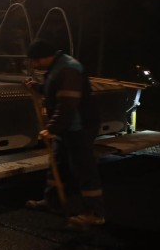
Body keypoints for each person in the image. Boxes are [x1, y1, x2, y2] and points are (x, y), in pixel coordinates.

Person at [23, 39, 104, 229]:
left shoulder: (68, 69)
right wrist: (37, 87)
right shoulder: (57, 67)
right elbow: (54, 91)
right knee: (57, 164)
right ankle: (52, 201)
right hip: (67, 127)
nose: (35, 65)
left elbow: (67, 105)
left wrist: (51, 129)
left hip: (80, 127)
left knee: (84, 168)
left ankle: (95, 213)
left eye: (36, 61)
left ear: (46, 56)